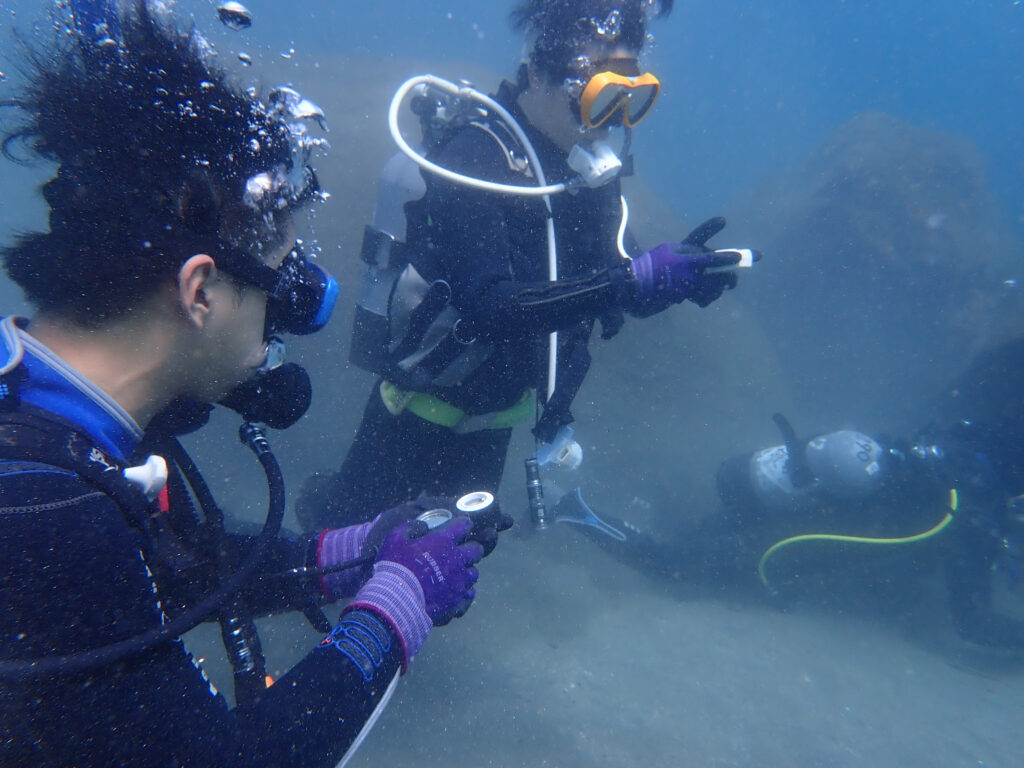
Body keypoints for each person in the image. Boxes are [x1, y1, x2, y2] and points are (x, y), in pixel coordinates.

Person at [0, 3, 505, 765]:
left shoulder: (49, 440)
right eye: (275, 287)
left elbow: (168, 570)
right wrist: (397, 604)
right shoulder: (49, 511)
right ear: (199, 291)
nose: (279, 326)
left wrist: (357, 548)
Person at [297, 0, 757, 532]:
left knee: (448, 566)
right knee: (345, 554)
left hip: (496, 424)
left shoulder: (588, 178)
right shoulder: (477, 156)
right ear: (538, 72)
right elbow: (493, 308)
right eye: (599, 96)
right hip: (412, 419)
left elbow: (613, 285)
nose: (610, 121)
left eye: (630, 99)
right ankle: (315, 518)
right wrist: (631, 280)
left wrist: (673, 283)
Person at [557, 338, 1024, 651]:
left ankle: (606, 501)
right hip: (799, 533)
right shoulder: (977, 508)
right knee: (673, 563)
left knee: (699, 535)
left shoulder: (962, 444)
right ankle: (575, 511)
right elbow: (974, 621)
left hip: (802, 501)